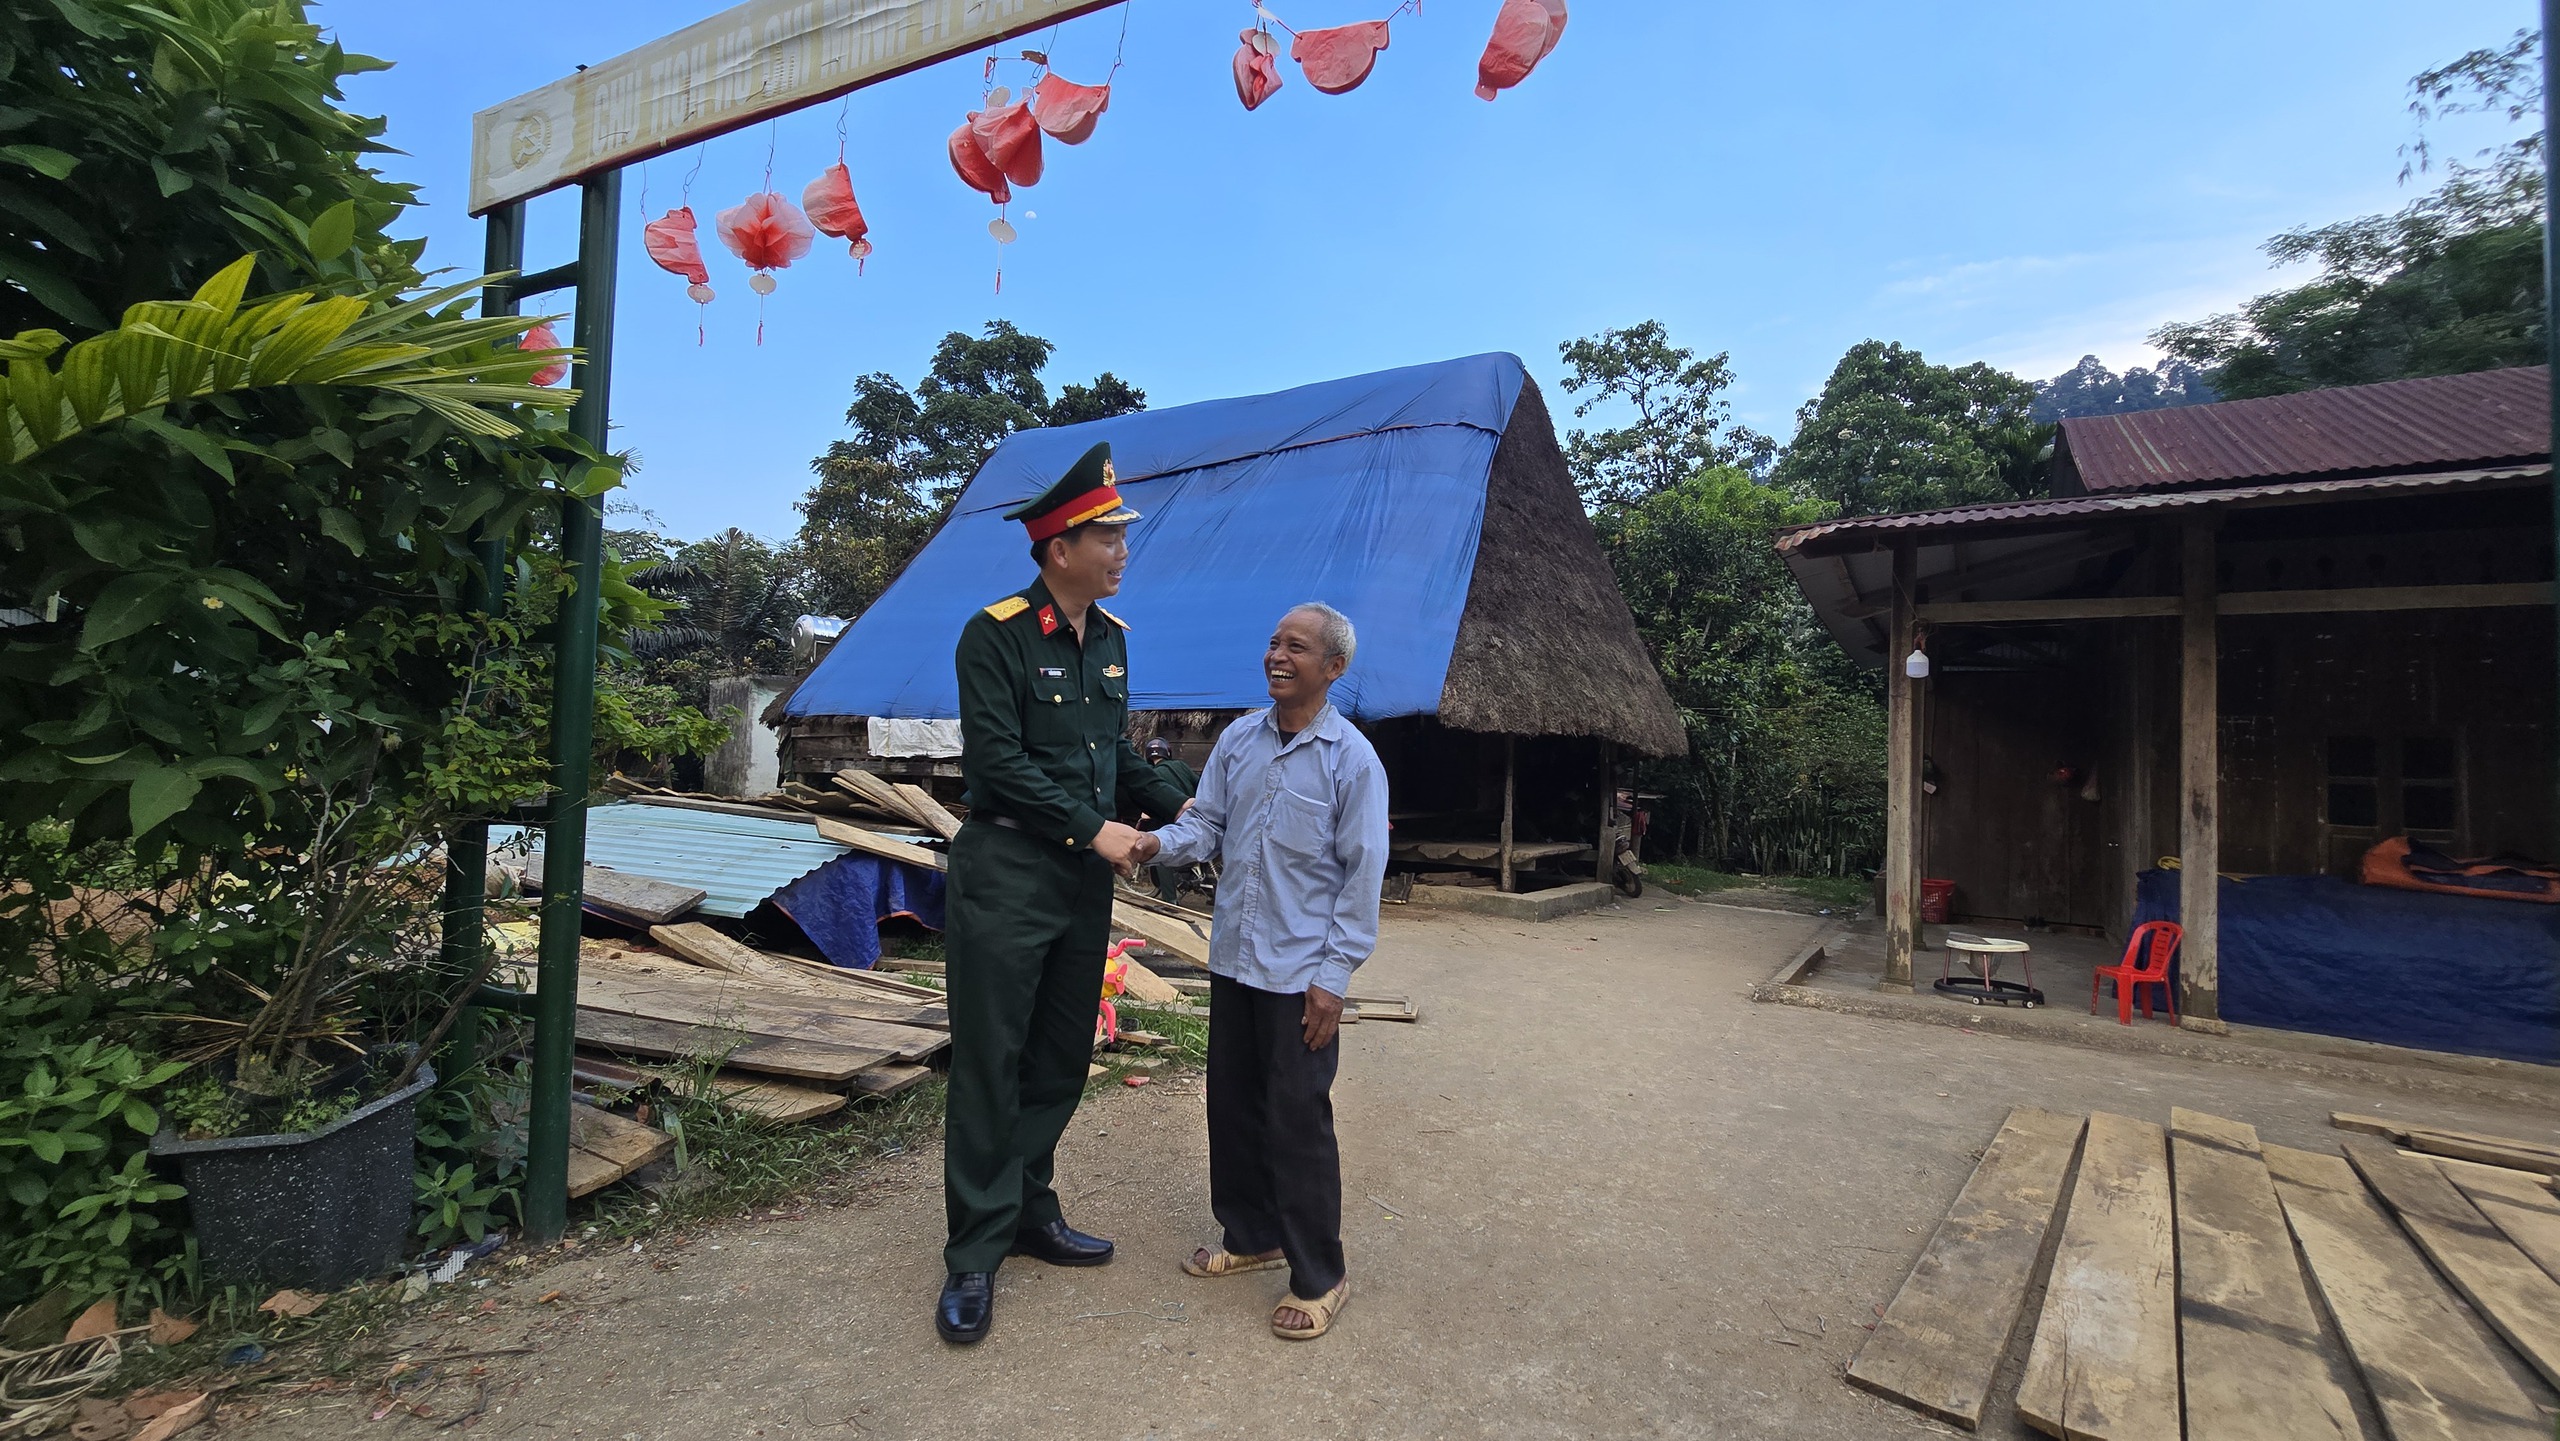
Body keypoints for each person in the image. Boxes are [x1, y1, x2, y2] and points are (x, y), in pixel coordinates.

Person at [936, 440, 1195, 1346]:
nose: (1124, 548)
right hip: (1006, 872)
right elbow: (997, 766)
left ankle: (1027, 1207)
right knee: (990, 1061)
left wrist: (1191, 809)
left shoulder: (1114, 643)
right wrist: (1096, 828)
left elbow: (1117, 758)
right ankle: (974, 1247)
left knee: (1056, 1059)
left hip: (1079, 883)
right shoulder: (995, 633)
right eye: (1109, 535)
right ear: (1059, 549)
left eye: (1122, 534)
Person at [1133, 603, 1389, 1341]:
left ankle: (1321, 1274)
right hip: (1237, 961)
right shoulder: (1240, 739)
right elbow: (1206, 824)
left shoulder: (1352, 761)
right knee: (1233, 1104)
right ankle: (1252, 1235)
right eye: (1274, 642)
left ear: (1332, 667)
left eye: (1297, 647)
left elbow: (1361, 874)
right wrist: (1154, 847)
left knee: (1298, 1119)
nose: (1278, 655)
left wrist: (1334, 976)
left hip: (1300, 972)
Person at [1139, 736, 1199, 901]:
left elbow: (1151, 801)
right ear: (1168, 752)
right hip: (1195, 816)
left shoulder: (1150, 774)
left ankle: (1169, 900)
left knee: (1160, 853)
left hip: (1171, 820)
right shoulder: (1181, 765)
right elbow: (1199, 783)